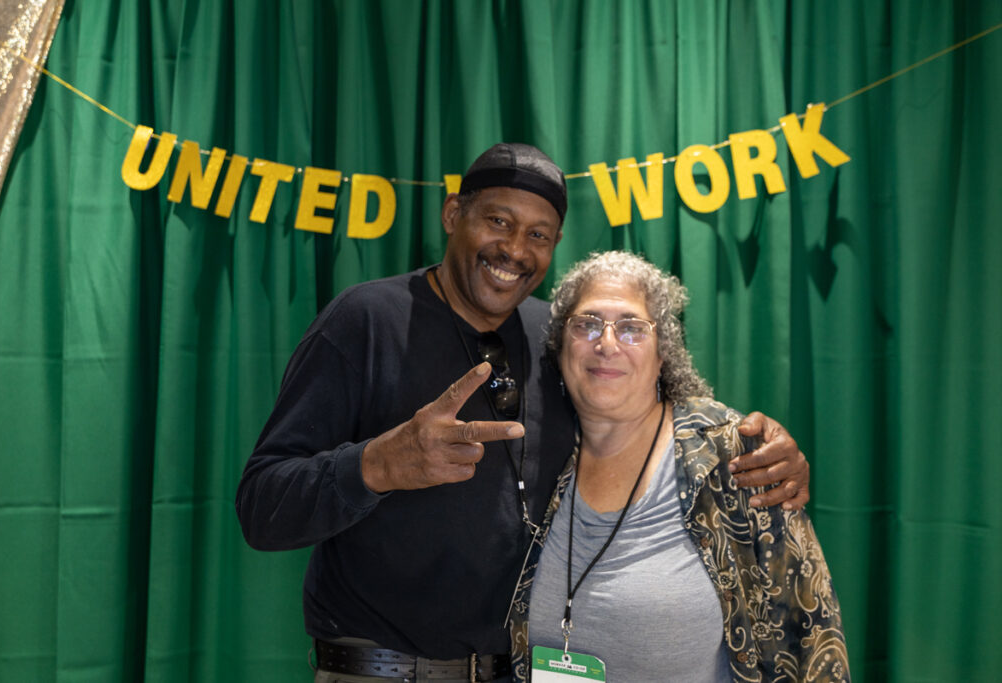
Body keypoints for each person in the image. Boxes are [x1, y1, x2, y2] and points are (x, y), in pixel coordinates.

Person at [235, 143, 812, 683]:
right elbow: (262, 507)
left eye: (539, 234)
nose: (515, 249)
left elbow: (642, 410)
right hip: (381, 669)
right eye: (498, 222)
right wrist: (378, 465)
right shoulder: (365, 321)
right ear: (452, 214)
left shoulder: (553, 339)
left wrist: (753, 442)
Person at [510, 251, 848, 682]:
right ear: (560, 348)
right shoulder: (538, 451)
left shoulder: (732, 457)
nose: (607, 343)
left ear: (663, 353)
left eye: (632, 328)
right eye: (587, 324)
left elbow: (811, 636)